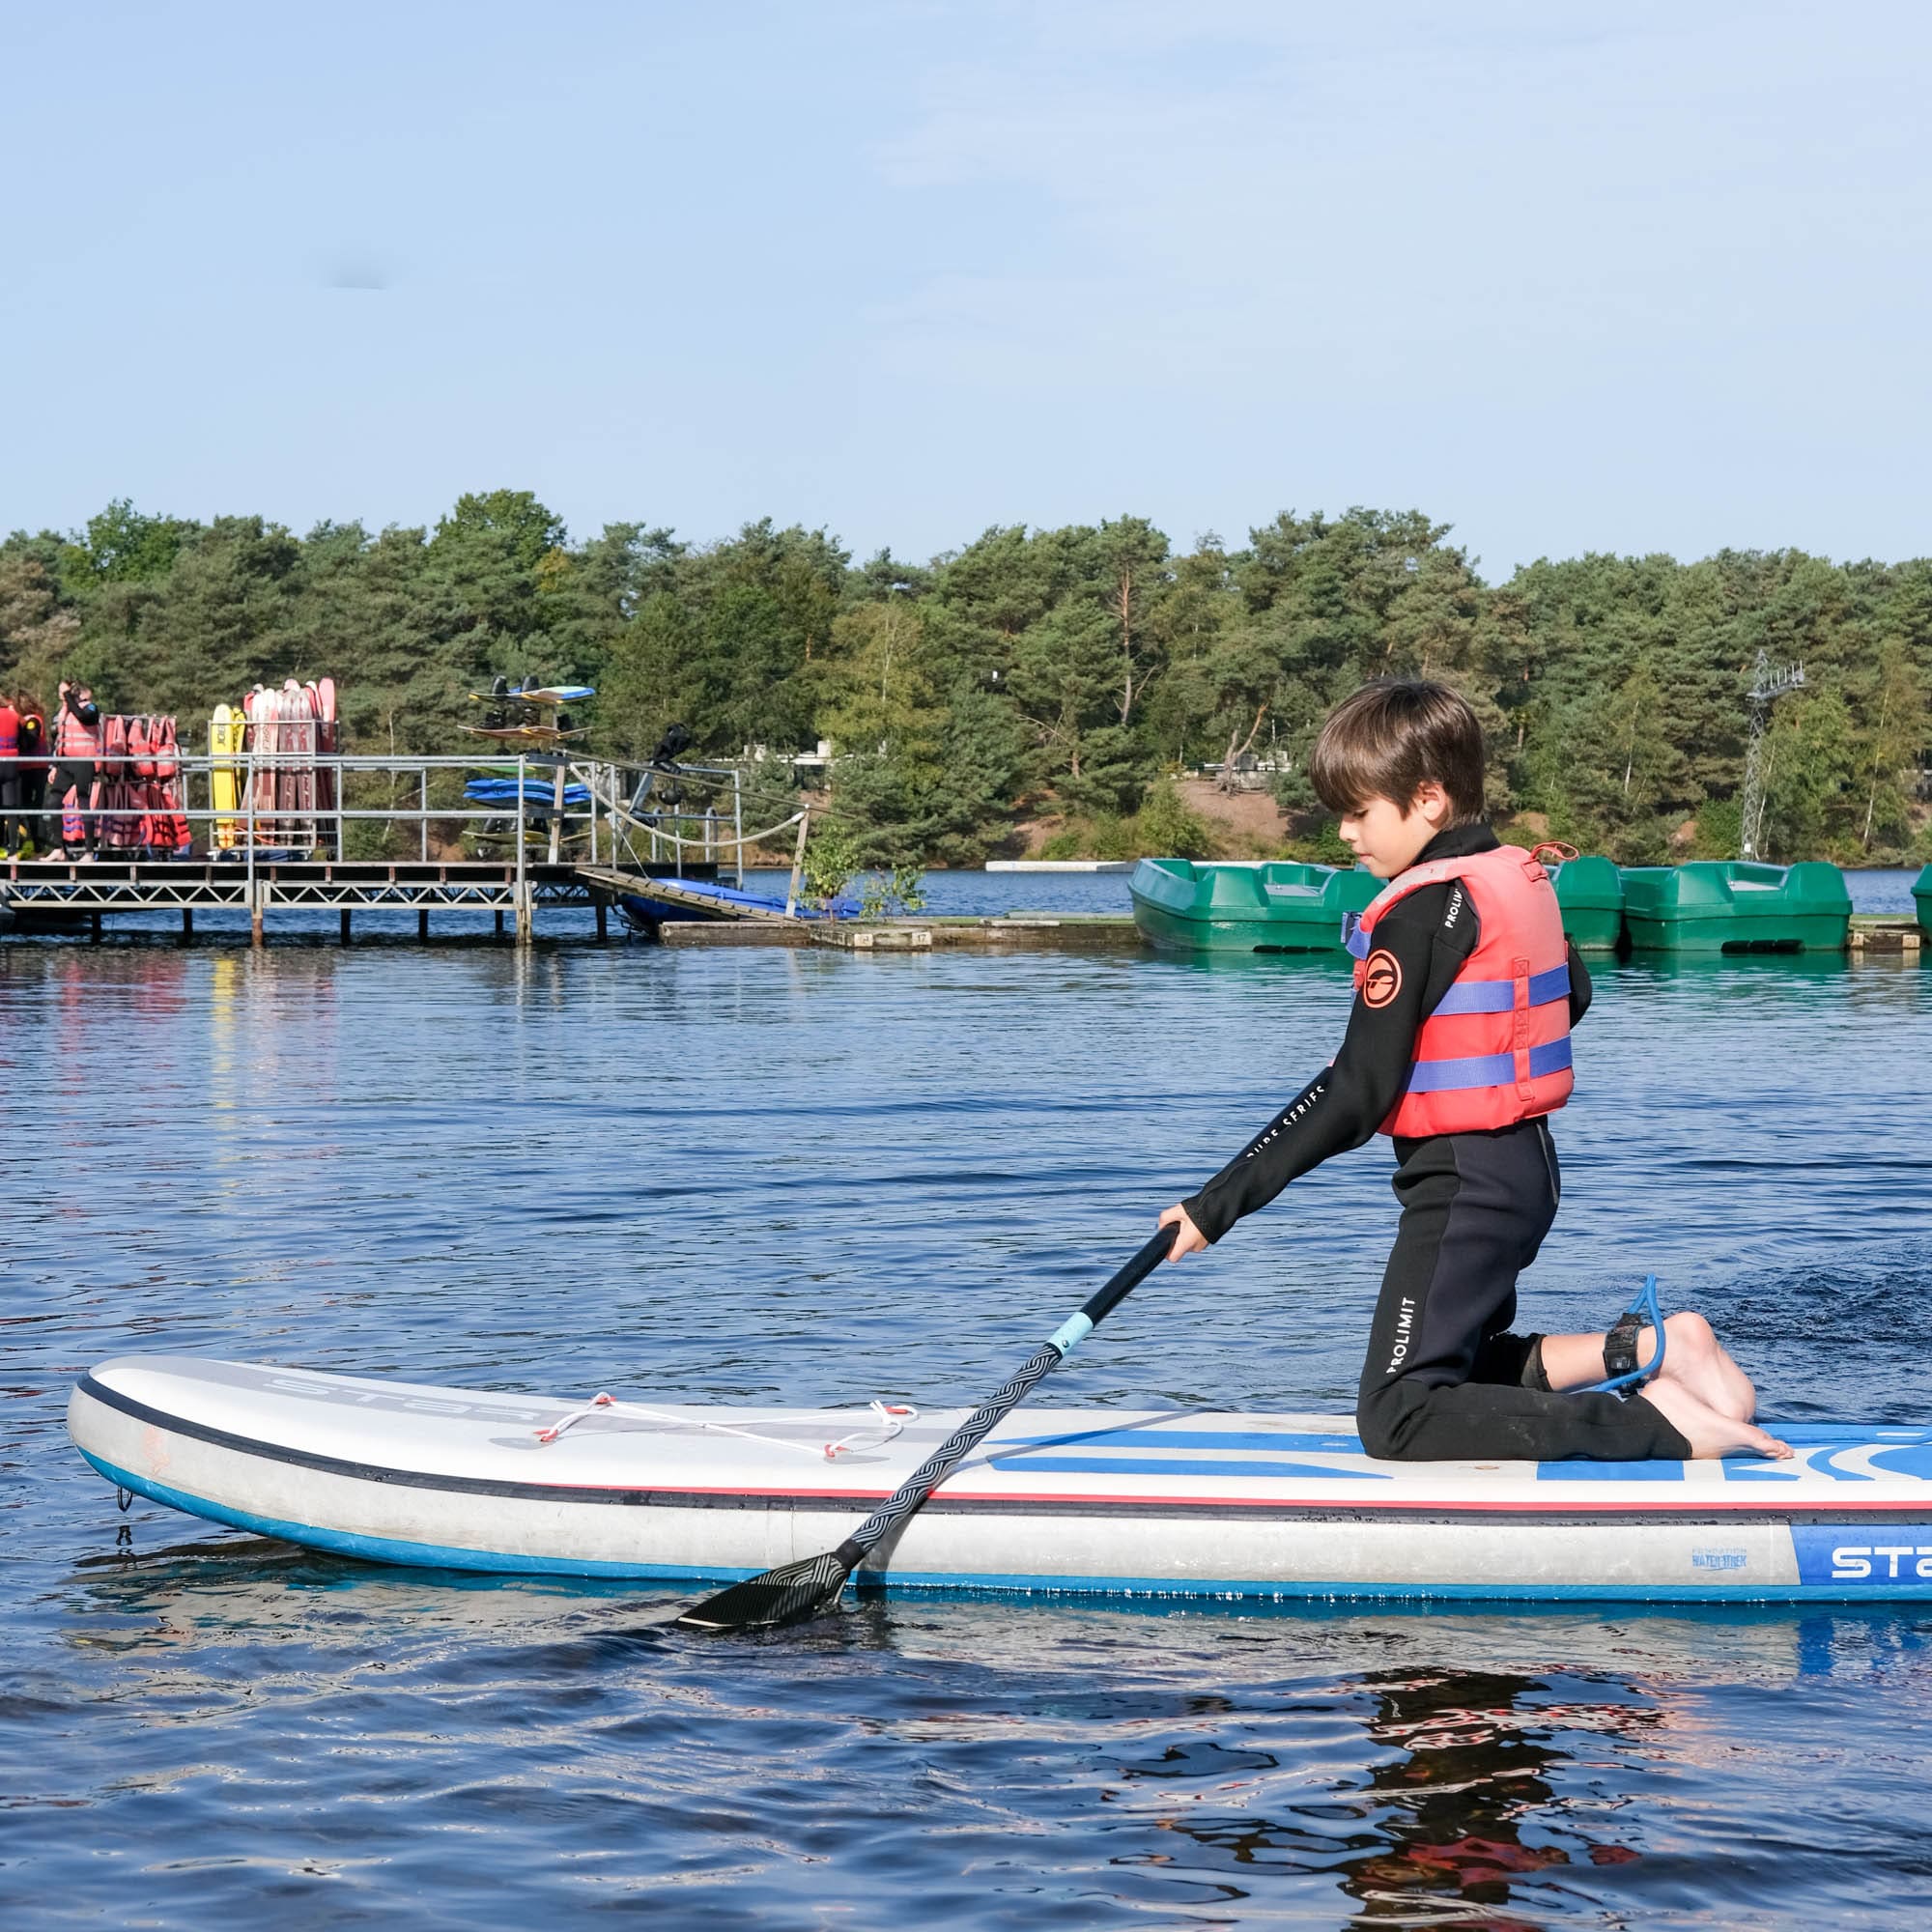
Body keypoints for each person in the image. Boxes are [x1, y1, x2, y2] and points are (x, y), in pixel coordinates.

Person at [1158, 679, 1789, 1464]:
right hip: (1525, 1169)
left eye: (1359, 811)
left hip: (1463, 1183)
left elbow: (1356, 1096)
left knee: (1398, 1416)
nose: (1346, 834)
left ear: (1425, 798)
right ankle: (1657, 1350)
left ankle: (1664, 1427)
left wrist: (1215, 1206)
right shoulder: (1511, 878)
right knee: (1456, 1364)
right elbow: (1571, 996)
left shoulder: (1417, 912)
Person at [48, 680, 102, 859]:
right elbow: (58, 740)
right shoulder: (65, 712)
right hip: (66, 763)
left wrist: (67, 696)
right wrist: (54, 766)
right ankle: (59, 849)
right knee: (53, 801)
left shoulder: (91, 708)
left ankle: (88, 851)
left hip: (84, 762)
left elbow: (84, 717)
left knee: (84, 802)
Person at [15, 696, 48, 856]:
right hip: (29, 769)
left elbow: (30, 741)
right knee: (26, 807)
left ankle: (38, 845)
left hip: (34, 769)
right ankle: (33, 842)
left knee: (34, 807)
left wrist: (18, 734)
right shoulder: (31, 720)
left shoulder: (32, 721)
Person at [0, 690, 17, 859]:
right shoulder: (14, 716)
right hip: (11, 764)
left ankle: (0, 846)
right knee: (10, 807)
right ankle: (13, 849)